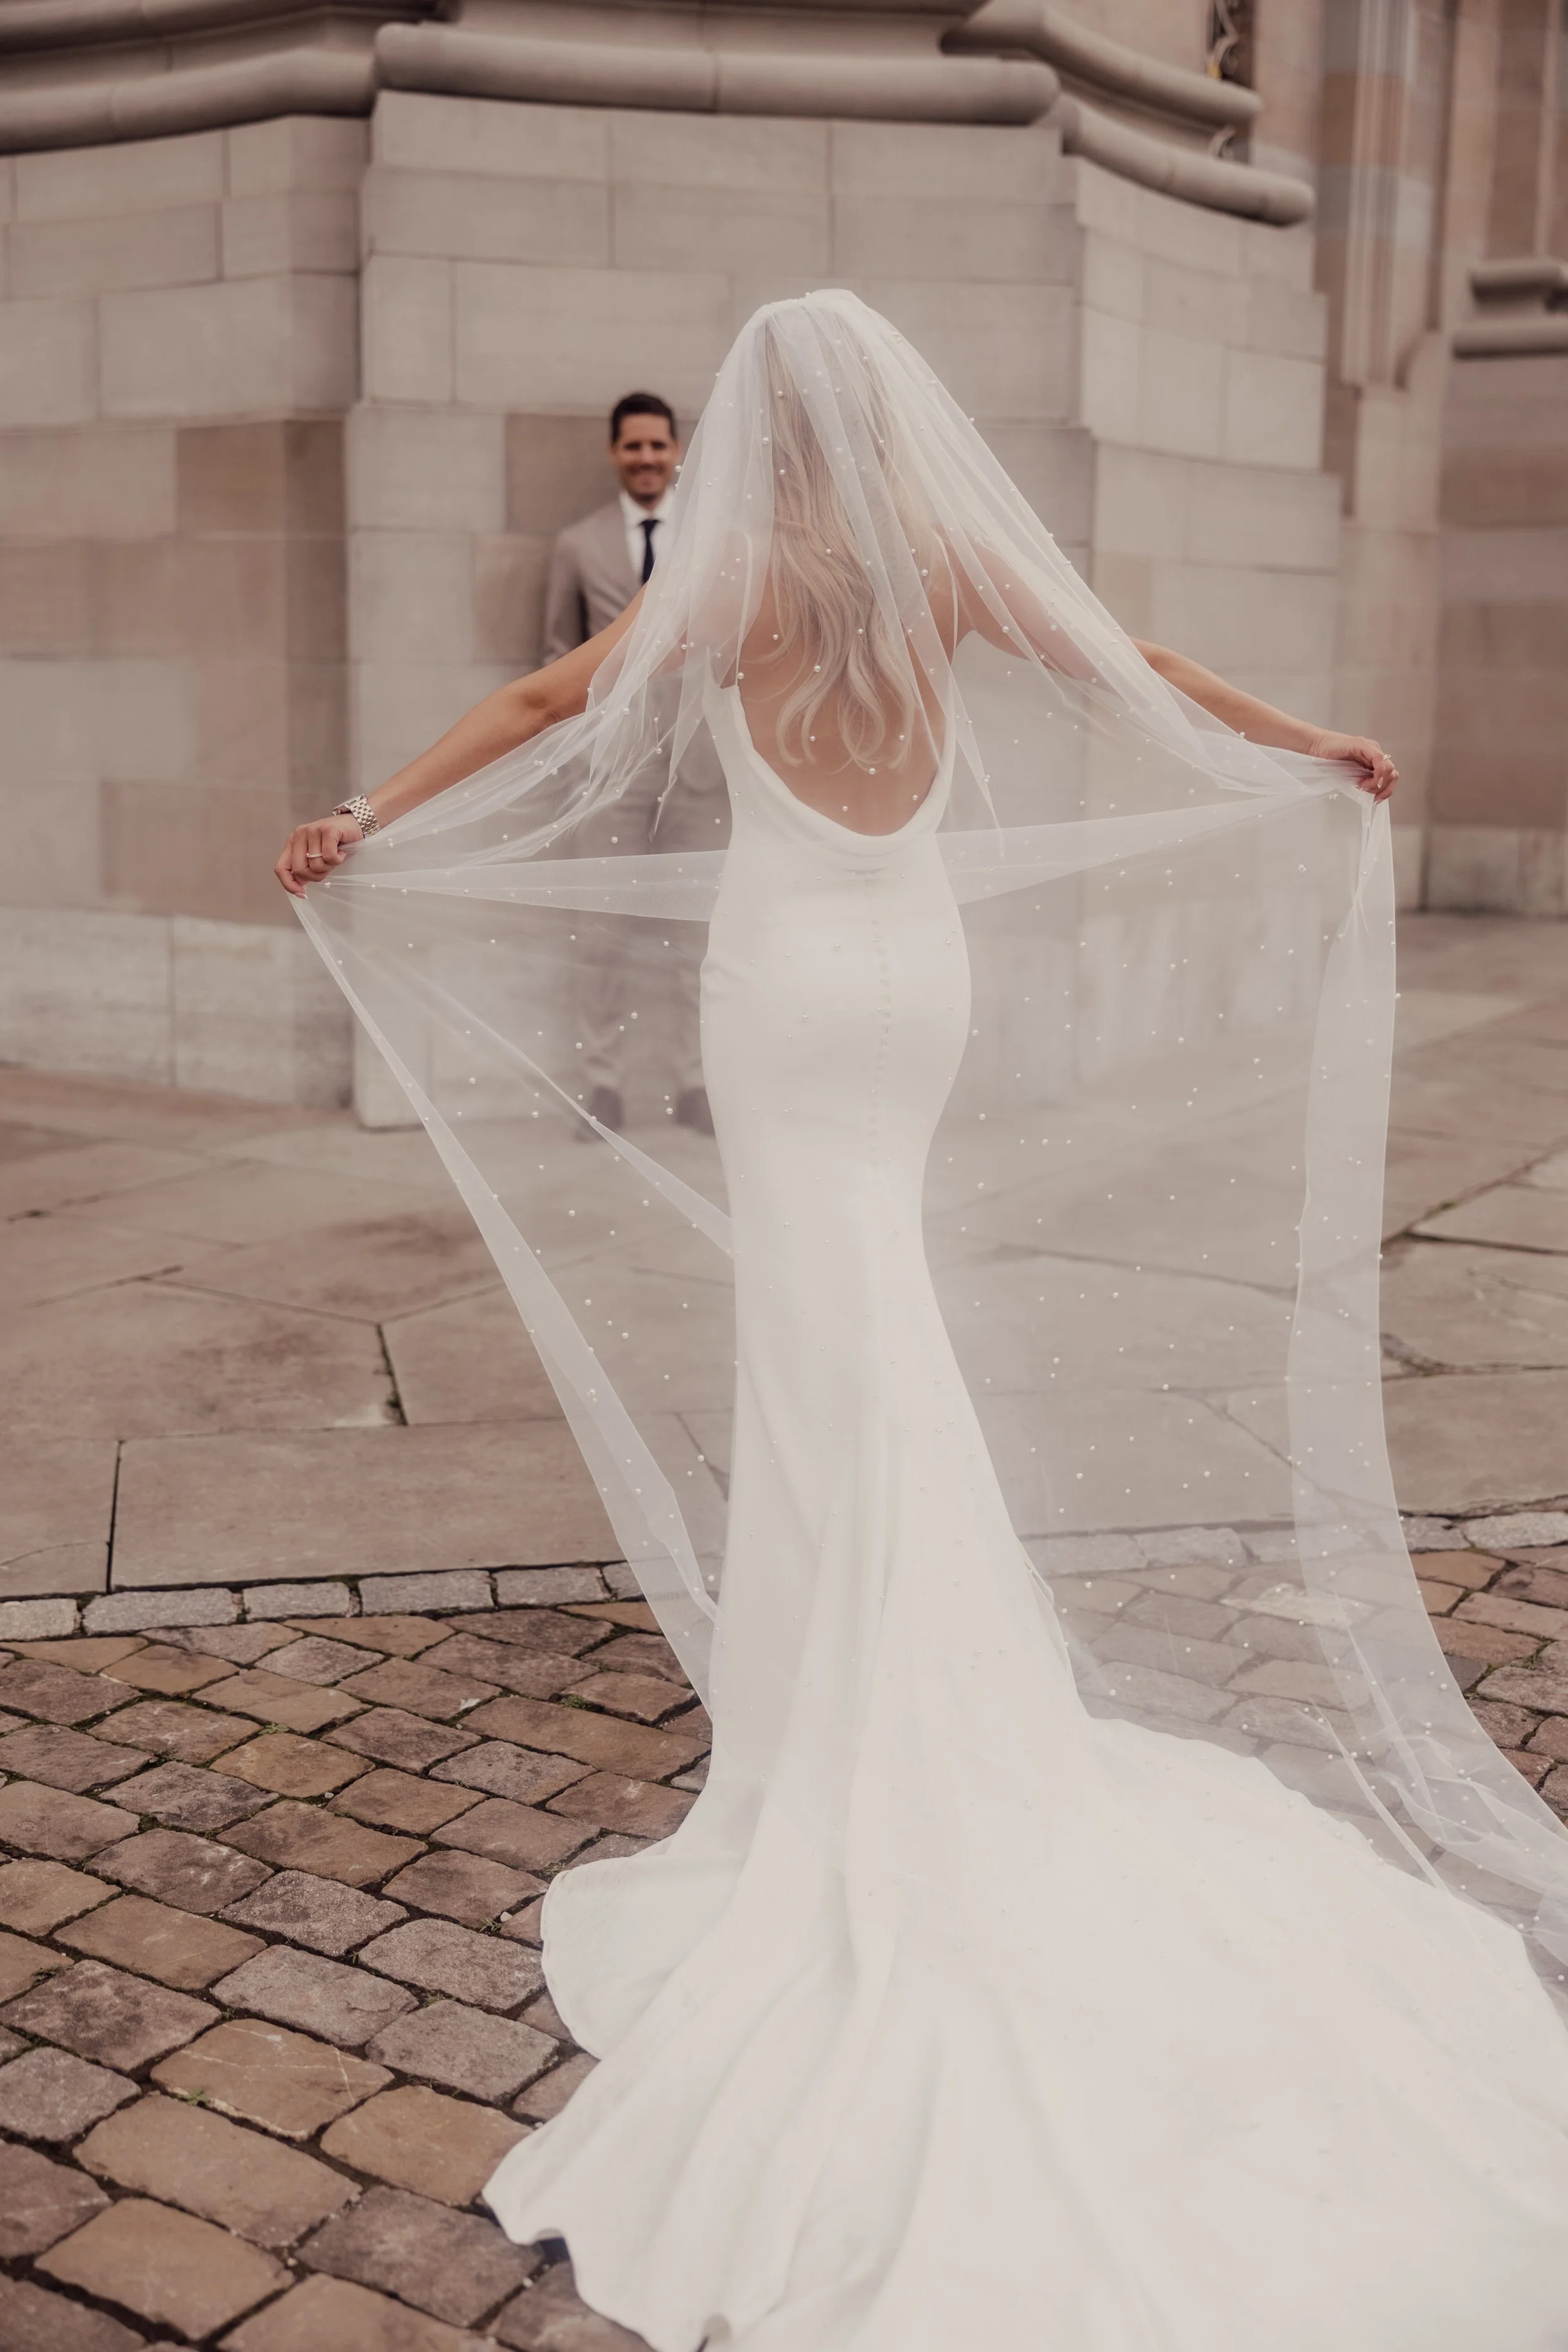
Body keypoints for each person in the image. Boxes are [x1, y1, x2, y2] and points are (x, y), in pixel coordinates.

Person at [275, 292, 1568, 2349]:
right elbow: (1130, 664)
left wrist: (369, 812)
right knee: (878, 1338)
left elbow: (546, 708)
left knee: (830, 1348)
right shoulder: (945, 569)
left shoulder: (733, 581)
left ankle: (852, 1713)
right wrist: (1301, 742)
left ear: (759, 431)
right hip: (916, 987)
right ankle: (881, 1674)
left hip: (792, 991)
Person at [543, 391, 726, 1138]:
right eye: (633, 447)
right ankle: (602, 1086)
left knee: (700, 932)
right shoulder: (577, 545)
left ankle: (697, 1083)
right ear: (614, 452)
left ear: (677, 451)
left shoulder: (718, 543)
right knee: (601, 935)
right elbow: (557, 654)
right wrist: (585, 750)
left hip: (703, 775)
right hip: (608, 778)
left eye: (659, 446)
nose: (647, 459)